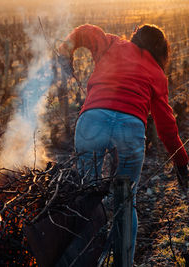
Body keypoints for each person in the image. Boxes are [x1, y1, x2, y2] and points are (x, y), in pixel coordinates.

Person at [57, 24, 189, 263]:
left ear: (135, 38)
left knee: (87, 197)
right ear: (161, 51)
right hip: (130, 129)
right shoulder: (157, 73)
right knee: (127, 201)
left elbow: (85, 31)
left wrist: (65, 52)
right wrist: (181, 163)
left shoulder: (112, 44)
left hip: (92, 122)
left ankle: (83, 260)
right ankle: (123, 262)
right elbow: (167, 128)